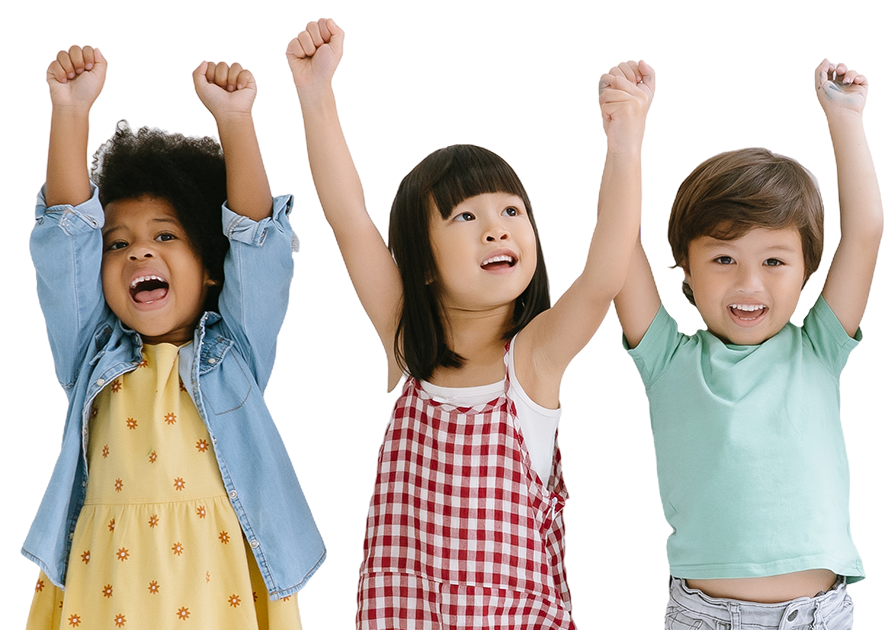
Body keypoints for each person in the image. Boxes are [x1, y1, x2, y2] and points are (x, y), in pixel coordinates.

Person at [286, 17, 654, 628]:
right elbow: (351, 220)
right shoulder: (408, 348)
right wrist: (316, 92)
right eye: (464, 216)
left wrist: (624, 141)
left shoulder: (532, 360)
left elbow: (603, 275)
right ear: (422, 262)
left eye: (512, 209)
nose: (497, 227)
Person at [23, 43, 324, 629]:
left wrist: (236, 122)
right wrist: (70, 112)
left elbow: (259, 244)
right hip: (108, 584)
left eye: (166, 236)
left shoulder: (233, 353)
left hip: (221, 587)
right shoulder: (92, 353)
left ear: (211, 264)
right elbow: (64, 244)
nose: (139, 250)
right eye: (118, 243)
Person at [614, 59, 884, 629]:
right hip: (703, 616)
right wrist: (627, 129)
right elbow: (616, 245)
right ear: (682, 266)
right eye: (723, 259)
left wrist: (845, 116)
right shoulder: (668, 357)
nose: (749, 283)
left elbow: (864, 229)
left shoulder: (817, 346)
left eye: (774, 261)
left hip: (819, 615)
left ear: (809, 268)